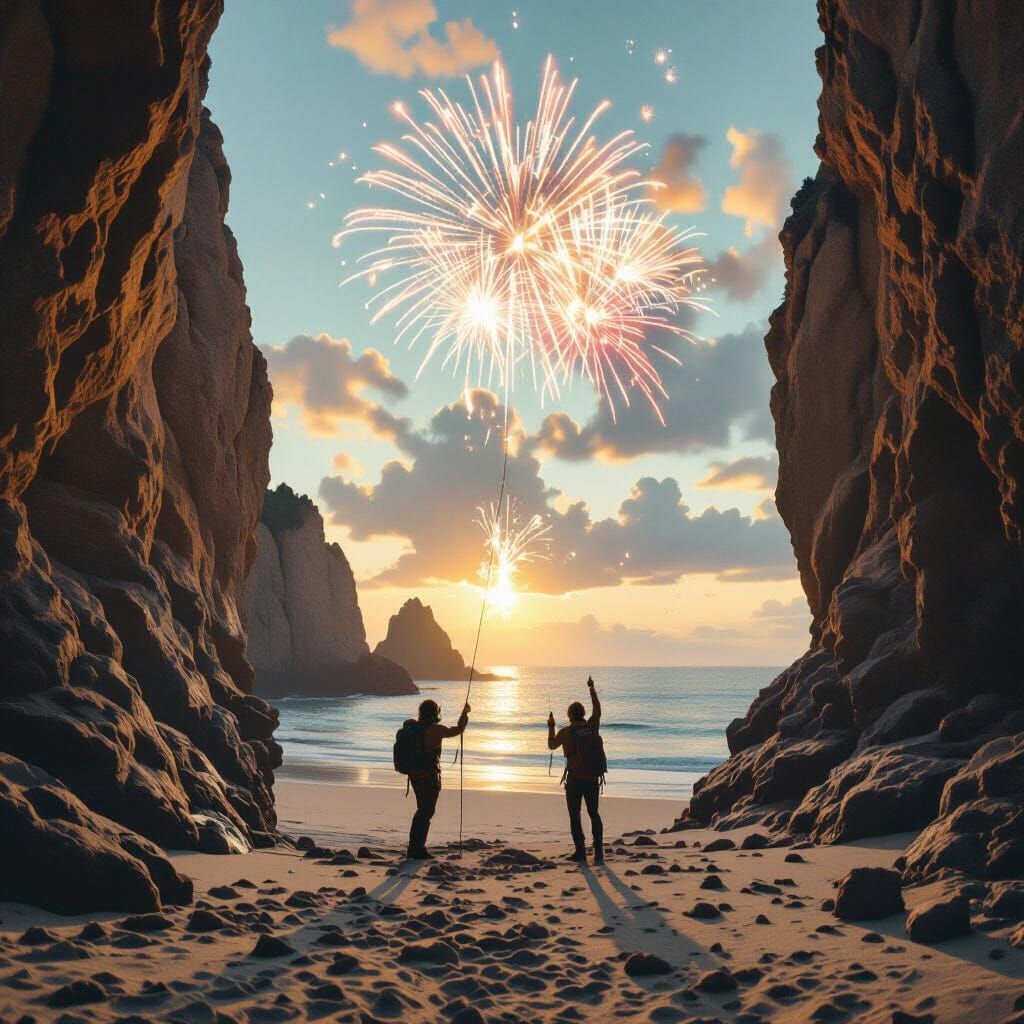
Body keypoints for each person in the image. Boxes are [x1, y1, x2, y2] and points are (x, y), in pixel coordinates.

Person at [403, 698, 470, 860]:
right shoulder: (436, 730)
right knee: (426, 812)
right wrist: (465, 713)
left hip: (415, 776)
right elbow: (458, 730)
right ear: (435, 713)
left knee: (422, 811)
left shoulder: (413, 727)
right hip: (429, 777)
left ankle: (414, 846)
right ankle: (417, 849)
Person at [548, 676, 604, 864]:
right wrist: (591, 688)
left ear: (570, 715)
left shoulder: (566, 732)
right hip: (592, 779)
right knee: (594, 814)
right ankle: (599, 853)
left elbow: (551, 745)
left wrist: (551, 727)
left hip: (574, 779)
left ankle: (580, 851)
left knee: (575, 815)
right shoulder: (593, 725)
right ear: (583, 713)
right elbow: (598, 708)